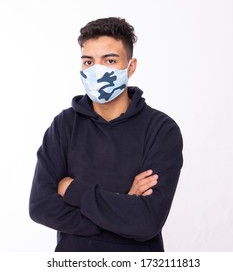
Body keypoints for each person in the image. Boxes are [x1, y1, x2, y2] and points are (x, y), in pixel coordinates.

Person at [29, 17, 183, 252]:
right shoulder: (64, 125)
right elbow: (41, 206)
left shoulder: (161, 130)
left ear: (130, 66)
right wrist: (124, 207)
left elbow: (146, 222)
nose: (97, 70)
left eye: (109, 60)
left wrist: (73, 190)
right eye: (88, 62)